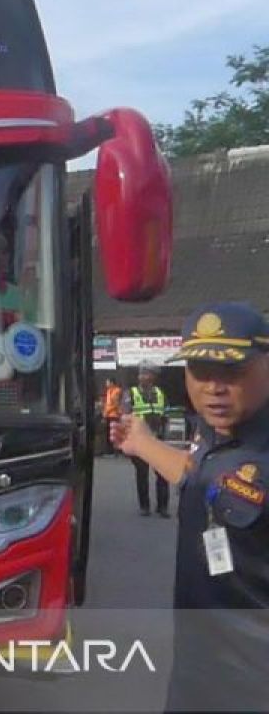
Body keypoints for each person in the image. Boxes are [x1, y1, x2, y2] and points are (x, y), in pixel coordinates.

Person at [110, 301, 269, 712]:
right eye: (200, 372)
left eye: (232, 372)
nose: (213, 388)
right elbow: (202, 478)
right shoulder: (214, 431)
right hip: (198, 663)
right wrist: (143, 444)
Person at [123, 361, 171, 516]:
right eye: (141, 373)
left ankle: (162, 507)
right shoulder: (131, 393)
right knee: (142, 475)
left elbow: (166, 414)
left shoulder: (160, 392)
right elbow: (125, 416)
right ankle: (144, 506)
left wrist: (165, 433)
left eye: (146, 373)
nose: (142, 376)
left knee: (163, 474)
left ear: (153, 376)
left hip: (158, 439)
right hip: (140, 441)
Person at [102, 377, 123, 456]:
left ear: (112, 383)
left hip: (114, 415)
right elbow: (107, 404)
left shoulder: (117, 391)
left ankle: (113, 451)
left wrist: (106, 412)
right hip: (108, 415)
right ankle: (109, 450)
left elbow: (115, 404)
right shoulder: (108, 391)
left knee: (113, 434)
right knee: (108, 433)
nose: (106, 384)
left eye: (107, 382)